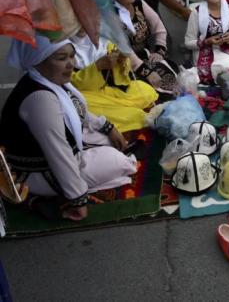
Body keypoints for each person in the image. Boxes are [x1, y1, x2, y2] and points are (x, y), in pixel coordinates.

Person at [0, 36, 137, 221]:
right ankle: (49, 194)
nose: (71, 64)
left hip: (52, 154)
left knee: (109, 140)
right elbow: (58, 152)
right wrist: (78, 198)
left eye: (72, 56)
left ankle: (92, 159)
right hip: (37, 173)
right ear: (38, 60)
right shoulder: (40, 99)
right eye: (61, 58)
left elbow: (80, 112)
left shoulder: (51, 80)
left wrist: (108, 127)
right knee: (120, 162)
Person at [69, 30, 158, 133]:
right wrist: (97, 67)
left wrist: (121, 61)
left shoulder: (103, 39)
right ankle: (131, 115)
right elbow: (70, 83)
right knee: (81, 104)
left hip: (111, 90)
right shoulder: (64, 48)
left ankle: (125, 109)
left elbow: (123, 77)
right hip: (90, 95)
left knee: (146, 91)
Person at [108, 0, 179, 95]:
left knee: (171, 72)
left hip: (145, 55)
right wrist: (147, 72)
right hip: (126, 64)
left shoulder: (139, 4)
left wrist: (159, 51)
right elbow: (124, 49)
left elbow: (159, 28)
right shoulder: (112, 17)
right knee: (149, 89)